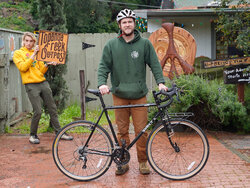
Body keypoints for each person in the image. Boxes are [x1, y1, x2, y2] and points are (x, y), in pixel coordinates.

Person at [97, 9, 168, 175]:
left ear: (134, 23)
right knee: (122, 131)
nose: (127, 24)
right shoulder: (111, 45)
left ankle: (143, 162)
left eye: (130, 21)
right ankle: (122, 161)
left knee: (142, 131)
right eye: (124, 22)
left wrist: (161, 83)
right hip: (119, 95)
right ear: (120, 25)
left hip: (139, 96)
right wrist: (102, 84)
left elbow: (155, 64)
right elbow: (103, 67)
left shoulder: (145, 44)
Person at [13, 32, 73, 144]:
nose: (29, 43)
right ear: (23, 41)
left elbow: (40, 70)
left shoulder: (38, 54)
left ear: (34, 42)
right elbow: (23, 67)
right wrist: (33, 55)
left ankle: (59, 132)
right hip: (30, 84)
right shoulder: (18, 53)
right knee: (38, 111)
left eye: (31, 41)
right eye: (26, 41)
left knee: (52, 108)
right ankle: (33, 135)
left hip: (42, 82)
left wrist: (47, 64)